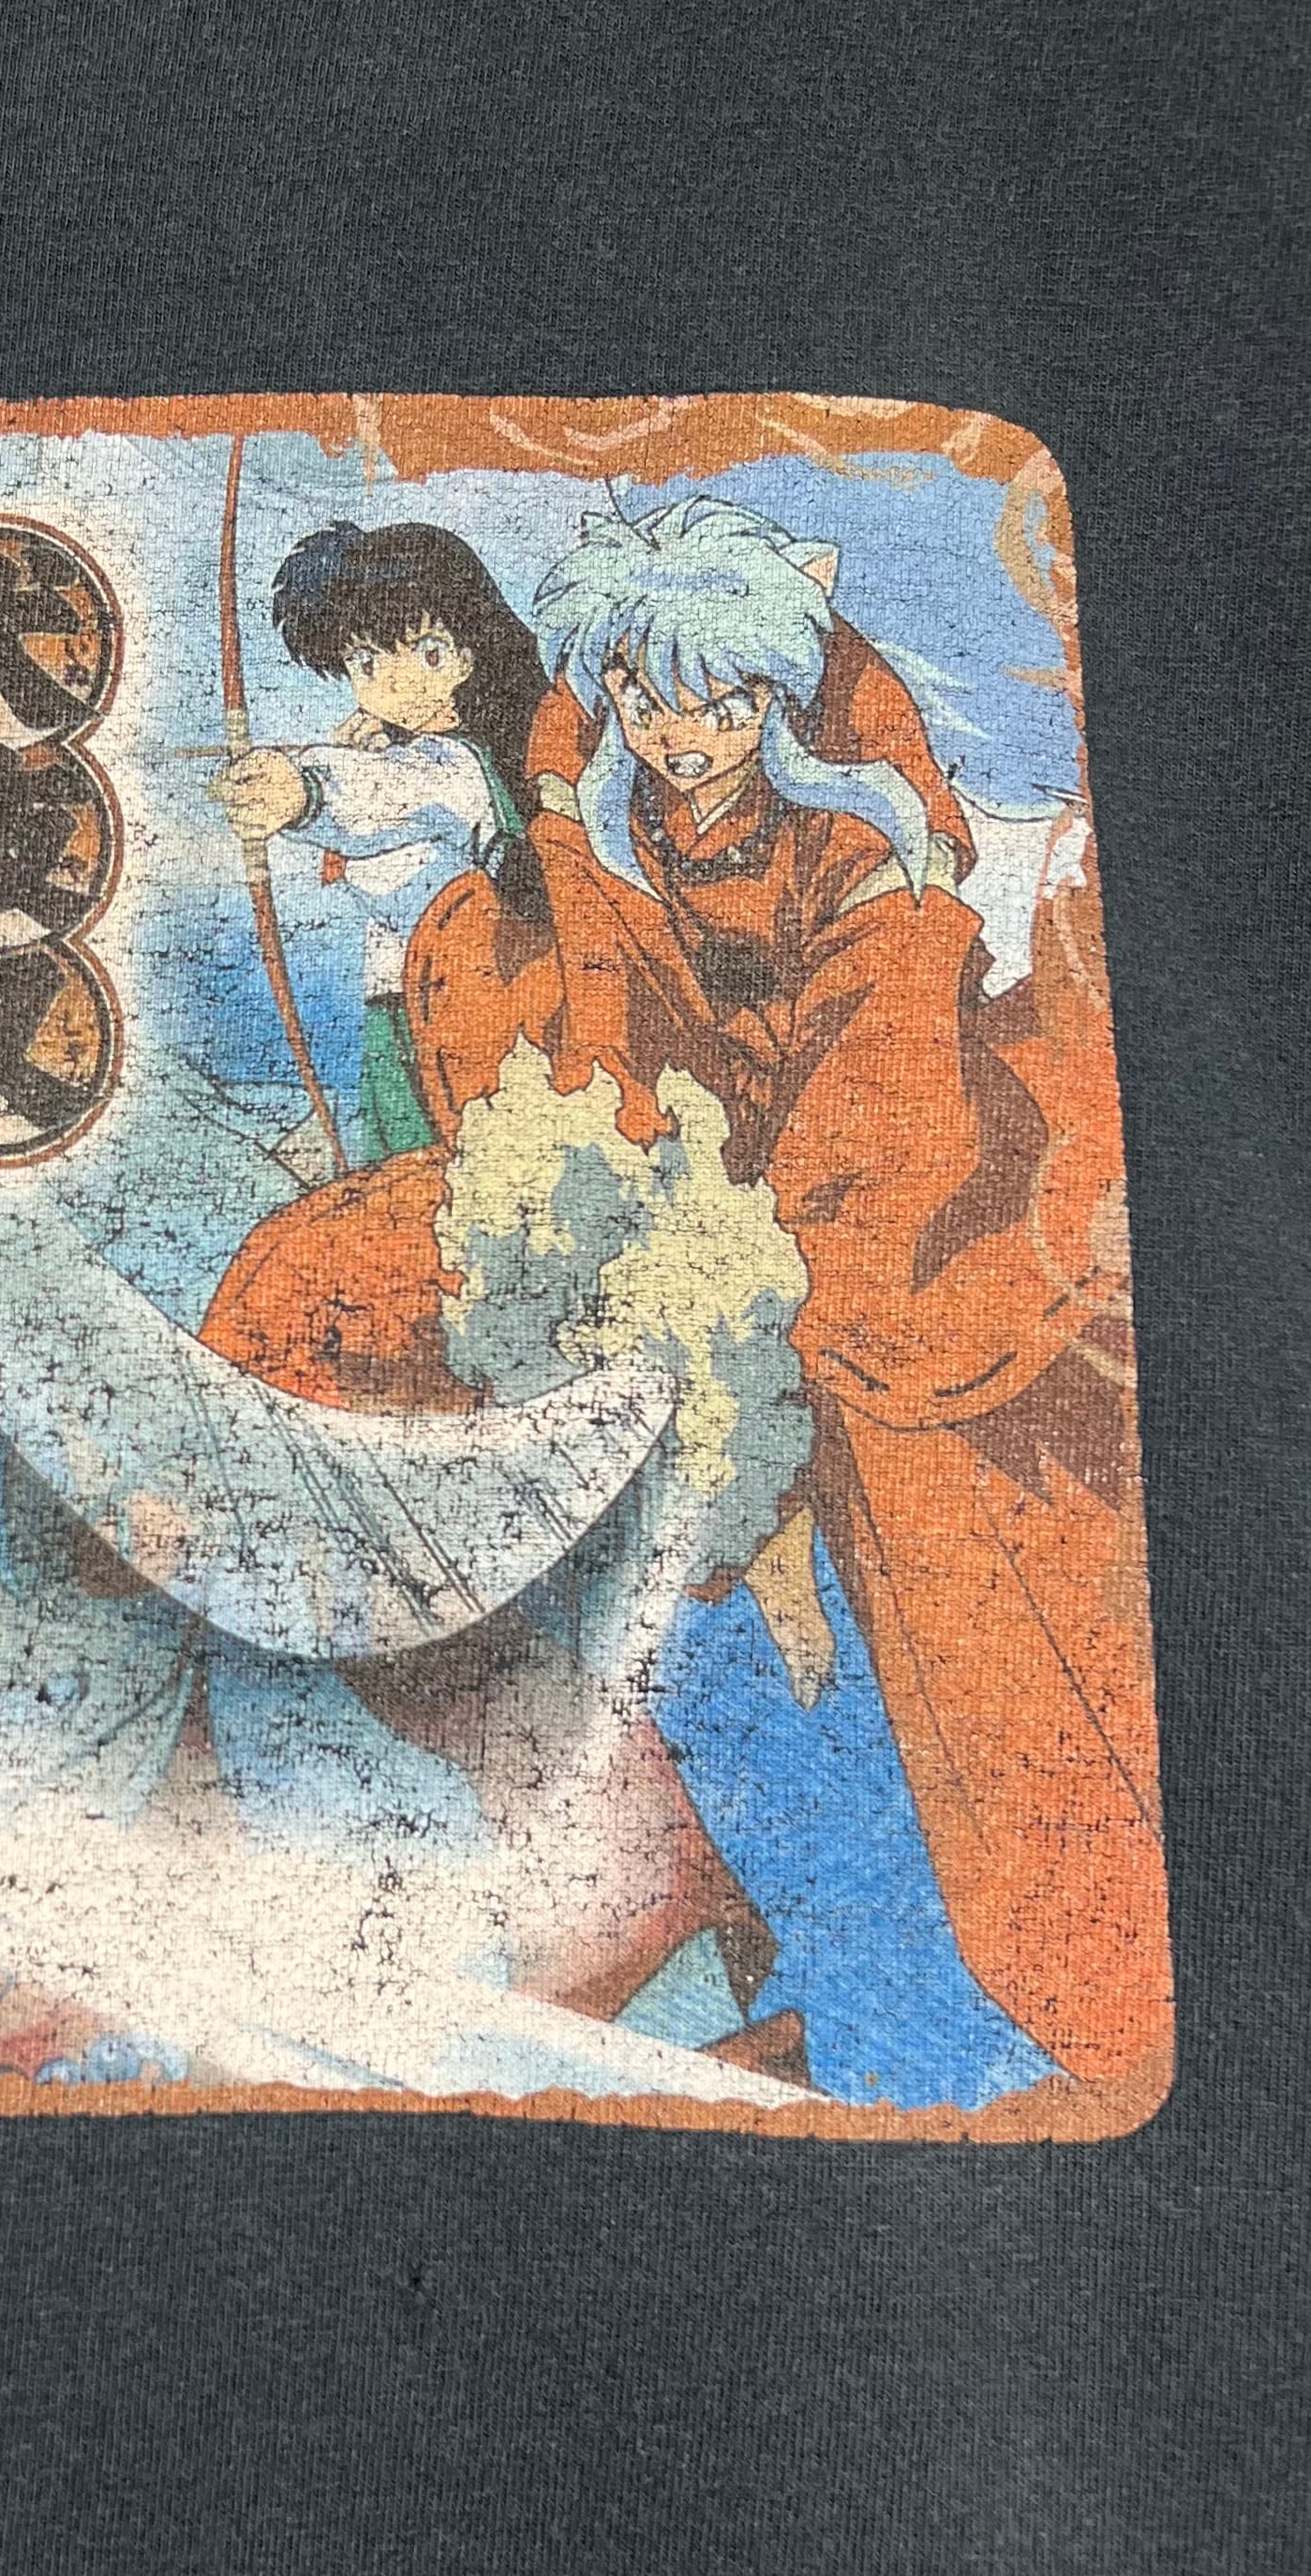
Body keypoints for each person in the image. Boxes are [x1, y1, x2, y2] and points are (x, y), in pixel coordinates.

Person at [203, 495, 1165, 2097]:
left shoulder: (854, 852)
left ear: (775, 698)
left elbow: (877, 1108)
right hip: (658, 1181)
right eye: (647, 698)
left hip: (875, 1209)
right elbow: (594, 1030)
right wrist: (588, 1189)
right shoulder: (593, 820)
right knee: (318, 1302)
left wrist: (747, 1344)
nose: (680, 732)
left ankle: (906, 1986)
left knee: (911, 1531)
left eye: (717, 699)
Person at [213, 519, 544, 1162]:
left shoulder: (457, 764)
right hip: (402, 1006)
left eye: (426, 652)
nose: (394, 683)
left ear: (471, 652)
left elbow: (390, 794)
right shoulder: (403, 749)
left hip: (466, 1009)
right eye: (365, 663)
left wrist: (303, 791)